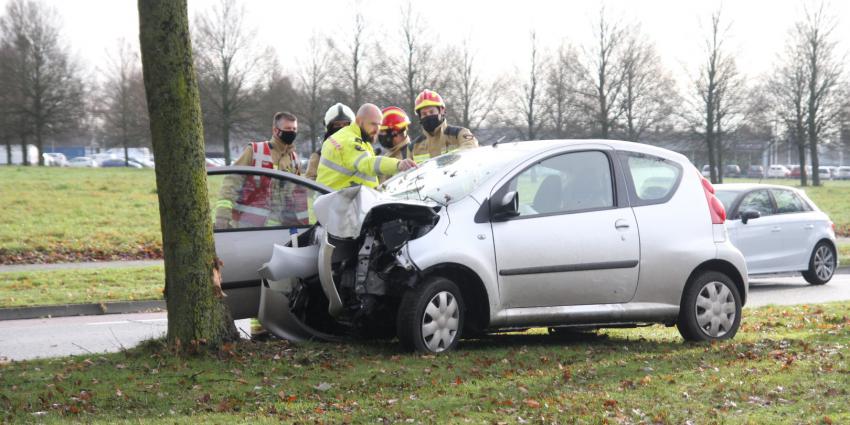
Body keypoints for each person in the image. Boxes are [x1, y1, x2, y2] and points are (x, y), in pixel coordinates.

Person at [214, 112, 307, 228]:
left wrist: (303, 225)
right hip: (247, 226)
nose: (292, 132)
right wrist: (222, 217)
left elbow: (297, 196)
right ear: (275, 130)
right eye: (288, 128)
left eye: (294, 129)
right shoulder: (255, 150)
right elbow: (231, 184)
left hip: (280, 229)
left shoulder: (294, 159)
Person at [316, 103, 416, 190]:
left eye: (379, 125)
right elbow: (368, 163)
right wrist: (398, 164)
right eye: (373, 124)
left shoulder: (363, 141)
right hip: (339, 206)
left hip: (345, 205)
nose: (377, 130)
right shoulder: (348, 140)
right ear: (359, 121)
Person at [411, 89, 478, 161]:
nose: (428, 116)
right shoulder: (413, 146)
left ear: (442, 110)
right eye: (424, 114)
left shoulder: (460, 134)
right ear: (420, 117)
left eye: (431, 112)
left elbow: (470, 150)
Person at [305, 103, 355, 180]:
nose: (342, 128)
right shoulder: (318, 157)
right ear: (329, 127)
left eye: (345, 124)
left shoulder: (361, 151)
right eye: (337, 125)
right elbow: (310, 185)